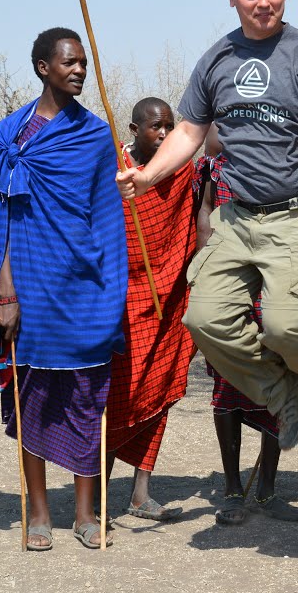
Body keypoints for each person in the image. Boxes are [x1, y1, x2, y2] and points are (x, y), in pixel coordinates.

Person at [120, 0, 298, 447]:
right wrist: (148, 176)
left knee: (287, 327)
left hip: (297, 217)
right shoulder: (217, 59)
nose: (264, 1)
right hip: (236, 217)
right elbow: (188, 132)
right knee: (204, 320)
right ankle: (280, 392)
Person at [0, 28, 127, 551]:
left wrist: (110, 288)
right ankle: (39, 511)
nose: (78, 70)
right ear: (42, 67)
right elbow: (0, 215)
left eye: (83, 63)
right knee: (34, 398)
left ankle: (86, 511)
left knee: (86, 397)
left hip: (83, 282)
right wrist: (5, 289)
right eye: (68, 62)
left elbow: (107, 216)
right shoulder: (10, 135)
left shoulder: (96, 135)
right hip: (29, 283)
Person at [194, 139, 298, 523]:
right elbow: (206, 215)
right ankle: (233, 490)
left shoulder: (296, 166)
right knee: (227, 386)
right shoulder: (217, 170)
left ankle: (268, 488)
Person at [104, 96, 197, 522]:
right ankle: (98, 493)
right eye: (154, 127)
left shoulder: (181, 169)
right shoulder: (114, 170)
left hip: (168, 295)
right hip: (122, 297)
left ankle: (141, 492)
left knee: (159, 391)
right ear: (133, 128)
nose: (162, 134)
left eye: (168, 126)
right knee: (114, 395)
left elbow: (190, 225)